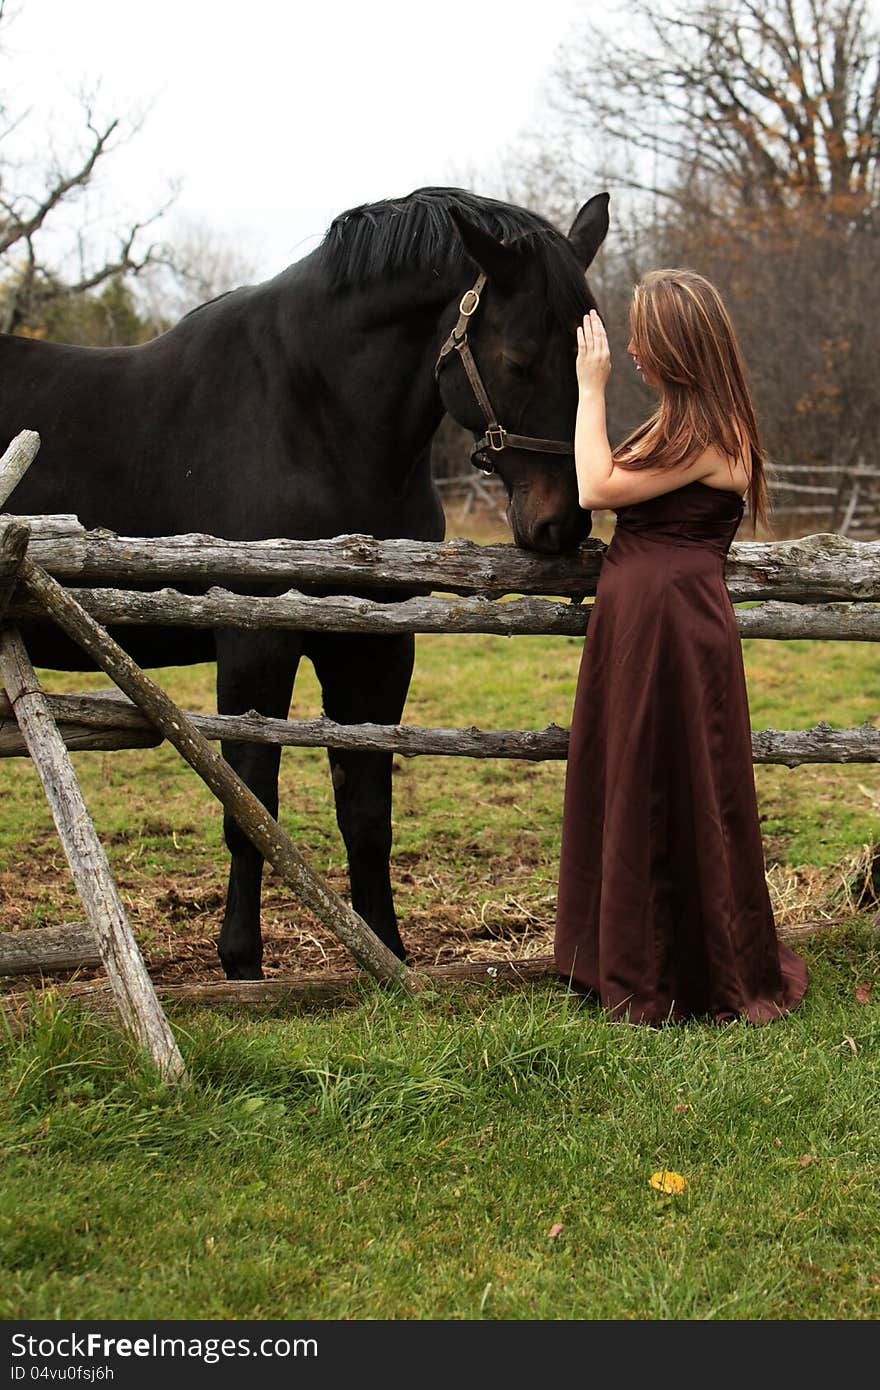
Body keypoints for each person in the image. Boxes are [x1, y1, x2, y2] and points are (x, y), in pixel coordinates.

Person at [554, 268, 808, 1024]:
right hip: (644, 624)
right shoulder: (683, 426)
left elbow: (595, 488)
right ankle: (629, 955)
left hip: (672, 629)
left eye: (643, 337)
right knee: (639, 779)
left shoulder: (712, 437)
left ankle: (677, 971)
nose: (629, 348)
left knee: (679, 788)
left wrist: (590, 387)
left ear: (676, 347)